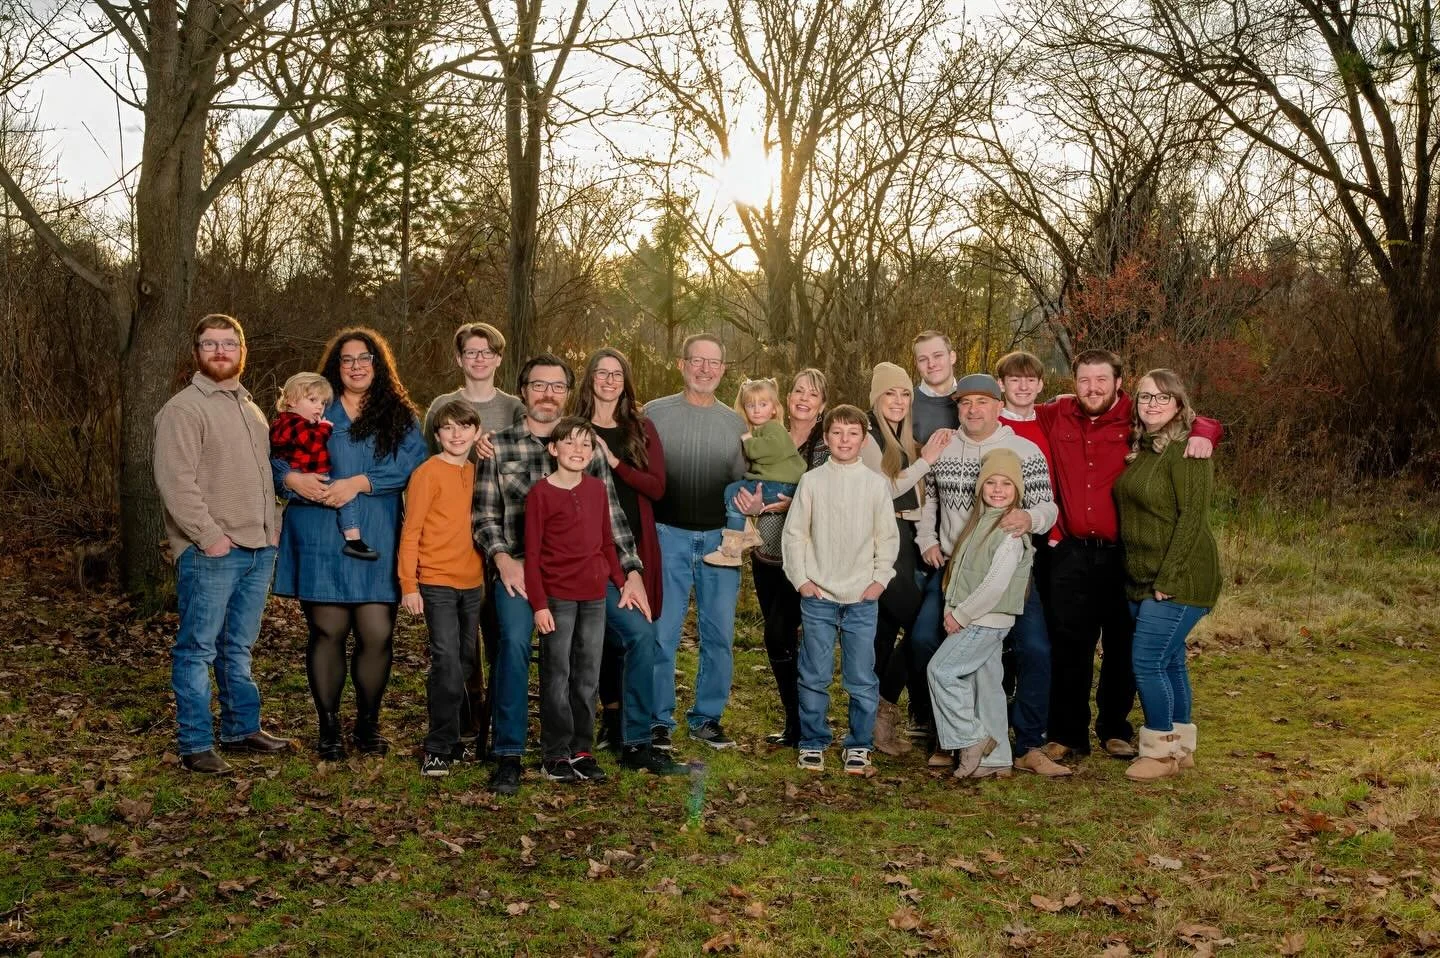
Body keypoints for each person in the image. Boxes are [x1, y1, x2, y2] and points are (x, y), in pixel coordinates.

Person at [473, 354, 668, 796]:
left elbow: (613, 517)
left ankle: (635, 740)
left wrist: (631, 571)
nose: (548, 394)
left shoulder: (584, 444)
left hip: (586, 571)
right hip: (524, 572)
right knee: (515, 642)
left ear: (567, 392)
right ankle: (509, 754)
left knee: (640, 632)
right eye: (539, 386)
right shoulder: (499, 446)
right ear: (522, 391)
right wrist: (502, 558)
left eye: (557, 386)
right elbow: (484, 517)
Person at [1035, 349, 1222, 764]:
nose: (1092, 388)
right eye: (1084, 380)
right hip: (1071, 552)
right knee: (1069, 646)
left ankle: (1115, 729)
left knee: (1124, 647)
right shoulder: (1058, 414)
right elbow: (1011, 408)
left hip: (1125, 555)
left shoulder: (1137, 420)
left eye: (1101, 380)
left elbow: (1195, 419)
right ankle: (1067, 733)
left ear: (1119, 382)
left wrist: (1206, 432)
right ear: (1073, 383)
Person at [273, 328, 427, 761]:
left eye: (365, 358)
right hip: (318, 527)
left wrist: (362, 482)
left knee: (377, 632)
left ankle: (367, 723)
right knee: (328, 630)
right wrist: (289, 478)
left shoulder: (398, 415)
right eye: (347, 359)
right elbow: (277, 451)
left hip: (377, 530)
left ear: (378, 365)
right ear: (335, 366)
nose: (356, 365)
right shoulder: (312, 406)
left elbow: (414, 465)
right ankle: (329, 727)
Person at [154, 314, 291, 775]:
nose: (219, 351)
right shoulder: (183, 409)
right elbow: (176, 484)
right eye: (210, 344)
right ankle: (195, 744)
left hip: (258, 549)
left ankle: (240, 727)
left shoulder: (250, 408)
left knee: (238, 646)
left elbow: (261, 476)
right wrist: (210, 539)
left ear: (242, 350)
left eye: (229, 343)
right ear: (197, 352)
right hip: (213, 553)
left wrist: (272, 526)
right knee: (198, 649)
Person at [913, 374, 1057, 766]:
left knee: (1036, 649)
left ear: (998, 405)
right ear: (957, 407)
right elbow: (928, 501)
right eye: (965, 403)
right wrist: (926, 539)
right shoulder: (943, 446)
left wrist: (1029, 516)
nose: (973, 410)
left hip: (1005, 574)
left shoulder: (1024, 450)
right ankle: (949, 736)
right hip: (953, 572)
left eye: (982, 402)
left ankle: (1028, 743)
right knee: (924, 640)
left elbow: (1049, 507)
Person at [422, 322, 525, 760]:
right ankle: (465, 720)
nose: (479, 359)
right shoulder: (443, 406)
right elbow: (431, 464)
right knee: (462, 642)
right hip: (455, 539)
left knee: (499, 633)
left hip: (503, 535)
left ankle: (498, 723)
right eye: (471, 352)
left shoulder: (515, 407)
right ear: (460, 358)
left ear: (499, 358)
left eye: (487, 352)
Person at [1113, 370, 1220, 781]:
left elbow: (1191, 520)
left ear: (1178, 403)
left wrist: (1167, 579)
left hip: (1182, 578)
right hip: (1144, 577)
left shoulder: (1188, 452)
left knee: (1147, 660)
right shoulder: (1145, 447)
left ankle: (1158, 753)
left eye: (1162, 398)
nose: (1152, 404)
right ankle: (1180, 748)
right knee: (1172, 661)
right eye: (1145, 397)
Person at [783, 405, 898, 775]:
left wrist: (879, 580)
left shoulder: (875, 484)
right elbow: (795, 533)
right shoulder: (813, 482)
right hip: (819, 595)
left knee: (861, 676)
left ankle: (859, 743)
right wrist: (801, 579)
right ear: (827, 437)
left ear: (864, 439)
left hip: (862, 597)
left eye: (852, 433)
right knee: (814, 673)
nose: (844, 439)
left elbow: (887, 537)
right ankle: (813, 740)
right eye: (837, 432)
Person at [646, 334, 747, 751]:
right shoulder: (653, 414)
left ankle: (707, 718)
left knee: (719, 633)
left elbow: (744, 484)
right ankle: (656, 719)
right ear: (681, 364)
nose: (705, 369)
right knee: (661, 632)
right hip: (665, 535)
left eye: (714, 362)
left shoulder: (737, 423)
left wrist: (742, 524)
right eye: (697, 361)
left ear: (723, 370)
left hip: (720, 541)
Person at [573, 347, 673, 766]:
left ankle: (629, 731)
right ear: (590, 379)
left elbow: (657, 488)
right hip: (593, 549)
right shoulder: (574, 430)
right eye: (602, 372)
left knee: (634, 632)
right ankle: (615, 725)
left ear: (626, 381)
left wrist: (615, 462)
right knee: (606, 637)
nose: (610, 380)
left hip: (637, 542)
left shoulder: (640, 427)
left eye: (617, 374)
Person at [524, 417, 627, 784]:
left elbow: (605, 543)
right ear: (553, 449)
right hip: (557, 598)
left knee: (586, 676)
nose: (579, 451)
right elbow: (532, 556)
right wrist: (539, 604)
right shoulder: (540, 493)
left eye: (586, 445)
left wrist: (621, 580)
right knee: (557, 675)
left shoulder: (597, 489)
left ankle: (583, 750)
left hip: (594, 597)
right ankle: (555, 753)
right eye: (570, 443)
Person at [858, 362, 953, 756]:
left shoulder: (906, 436)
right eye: (889, 394)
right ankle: (885, 711)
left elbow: (923, 493)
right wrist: (926, 460)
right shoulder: (866, 435)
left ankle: (871, 722)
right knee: (919, 630)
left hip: (911, 536)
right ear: (876, 398)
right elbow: (882, 488)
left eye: (903, 395)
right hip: (883, 537)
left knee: (883, 633)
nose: (897, 401)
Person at [927, 449, 1034, 780]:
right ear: (981, 487)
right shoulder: (979, 524)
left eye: (1006, 484)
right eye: (991, 482)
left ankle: (971, 738)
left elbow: (994, 586)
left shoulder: (1010, 531)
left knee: (941, 671)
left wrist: (961, 615)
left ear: (1017, 491)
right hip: (976, 619)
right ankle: (997, 757)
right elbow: (959, 575)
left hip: (985, 620)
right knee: (987, 684)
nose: (998, 489)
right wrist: (951, 610)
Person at [990, 351, 1070, 778]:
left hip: (1048, 543)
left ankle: (1032, 736)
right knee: (1002, 642)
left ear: (1041, 385)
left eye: (1030, 380)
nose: (1022, 386)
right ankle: (994, 728)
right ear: (1001, 384)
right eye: (1013, 379)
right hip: (1001, 549)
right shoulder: (991, 428)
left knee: (1039, 641)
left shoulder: (1052, 419)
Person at [398, 399, 485, 778]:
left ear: (476, 433)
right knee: (448, 660)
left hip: (473, 583)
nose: (456, 434)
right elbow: (411, 530)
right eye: (448, 428)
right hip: (436, 582)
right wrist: (409, 585)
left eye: (464, 427)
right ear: (437, 435)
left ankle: (456, 739)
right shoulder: (426, 473)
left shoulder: (479, 474)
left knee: (463, 663)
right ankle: (437, 747)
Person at [742, 369, 829, 748]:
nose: (803, 398)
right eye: (797, 390)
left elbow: (833, 496)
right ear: (785, 399)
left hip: (805, 557)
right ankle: (796, 723)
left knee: (781, 633)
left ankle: (810, 723)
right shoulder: (766, 433)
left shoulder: (825, 445)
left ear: (822, 405)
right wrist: (750, 500)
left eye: (813, 394)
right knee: (780, 641)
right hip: (765, 550)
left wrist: (797, 502)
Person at [270, 372, 377, 561]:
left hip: (301, 473)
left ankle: (276, 538)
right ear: (291, 400)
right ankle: (354, 540)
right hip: (301, 474)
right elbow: (312, 442)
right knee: (345, 495)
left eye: (322, 402)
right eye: (312, 400)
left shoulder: (288, 422)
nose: (319, 406)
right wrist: (325, 427)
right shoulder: (294, 424)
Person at [704, 378, 806, 567]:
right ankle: (748, 534)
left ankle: (731, 551)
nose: (757, 410)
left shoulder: (773, 427)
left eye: (763, 404)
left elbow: (763, 452)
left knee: (734, 495)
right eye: (751, 405)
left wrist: (748, 440)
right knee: (733, 490)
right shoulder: (763, 429)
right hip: (778, 483)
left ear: (774, 408)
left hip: (780, 485)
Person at [911, 330, 961, 443]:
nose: (931, 364)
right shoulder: (905, 403)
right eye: (923, 359)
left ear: (952, 357)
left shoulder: (972, 399)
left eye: (937, 355)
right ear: (916, 364)